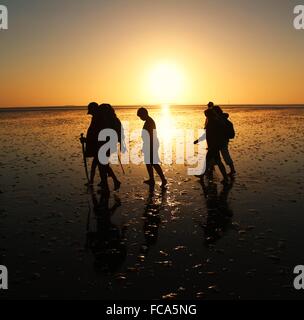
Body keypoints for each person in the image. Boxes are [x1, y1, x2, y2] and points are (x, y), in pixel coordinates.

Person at [137, 107, 167, 187]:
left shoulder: (149, 121)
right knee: (148, 162)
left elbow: (150, 135)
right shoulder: (148, 121)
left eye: (140, 116)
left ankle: (163, 179)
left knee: (153, 163)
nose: (140, 118)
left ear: (144, 114)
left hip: (151, 144)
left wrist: (148, 146)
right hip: (149, 144)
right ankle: (152, 179)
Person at [212, 106, 236, 176]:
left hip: (222, 140)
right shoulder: (223, 119)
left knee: (224, 155)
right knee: (223, 154)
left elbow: (219, 131)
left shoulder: (220, 119)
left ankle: (232, 170)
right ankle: (232, 170)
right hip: (223, 140)